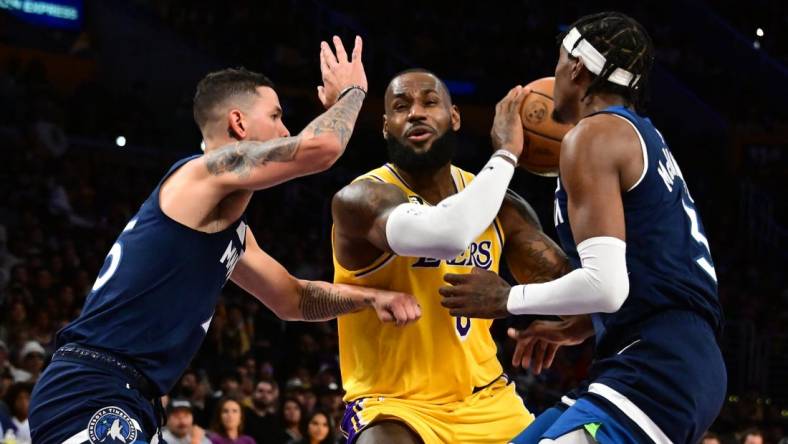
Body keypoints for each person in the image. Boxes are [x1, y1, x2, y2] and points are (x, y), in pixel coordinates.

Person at [28, 36, 422, 444]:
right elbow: (322, 147)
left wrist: (372, 298)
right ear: (238, 123)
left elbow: (294, 300)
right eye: (276, 115)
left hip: (128, 397)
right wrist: (354, 92)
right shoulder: (202, 173)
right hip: (92, 388)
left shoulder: (229, 230)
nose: (287, 130)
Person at [439, 12, 726, 444]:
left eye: (558, 60)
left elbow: (607, 287)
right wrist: (574, 327)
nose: (553, 71)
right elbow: (647, 275)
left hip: (658, 366)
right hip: (660, 358)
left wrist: (506, 298)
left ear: (576, 67)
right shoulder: (637, 136)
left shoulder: (592, 136)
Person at [331, 69, 570, 443]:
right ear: (385, 126)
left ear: (454, 117)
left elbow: (573, 288)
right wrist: (506, 153)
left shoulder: (502, 207)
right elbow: (446, 233)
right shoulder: (361, 199)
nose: (415, 113)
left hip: (490, 400)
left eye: (429, 102)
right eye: (400, 106)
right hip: (395, 406)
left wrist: (567, 323)